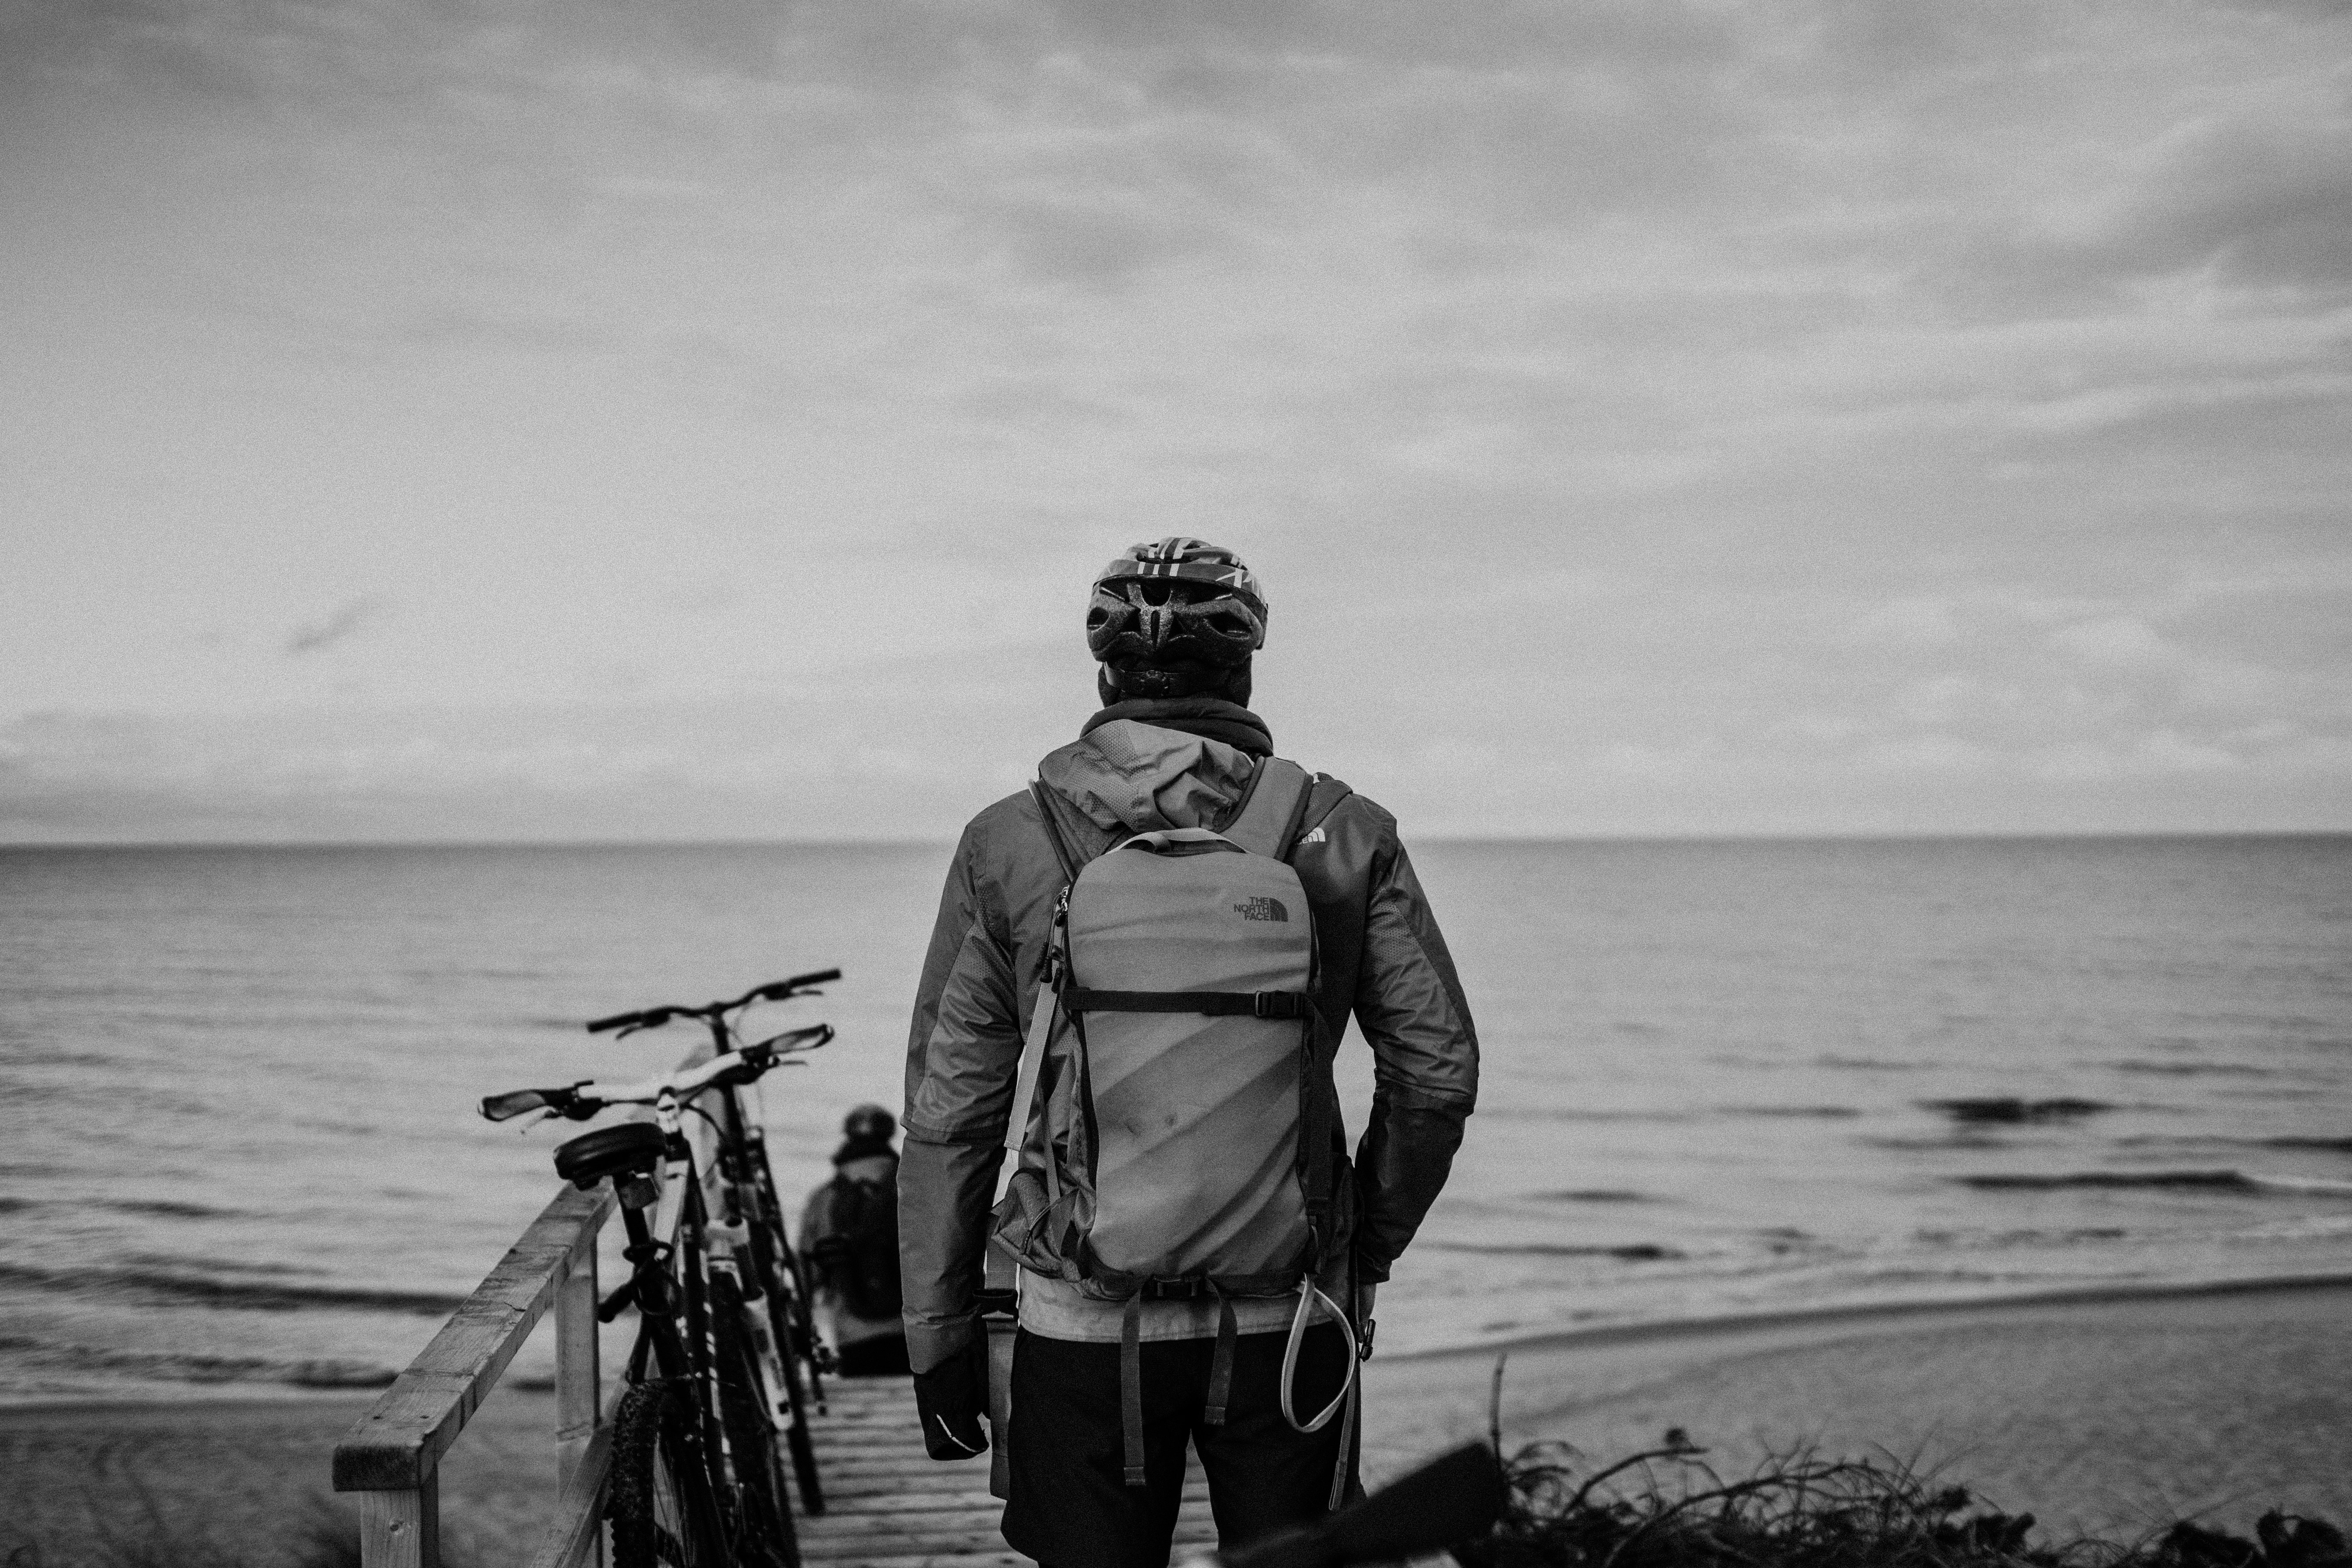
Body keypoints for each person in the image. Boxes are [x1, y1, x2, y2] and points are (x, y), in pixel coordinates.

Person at [897, 537, 1479, 1567]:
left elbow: (953, 1108)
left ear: (1105, 673)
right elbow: (1435, 1073)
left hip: (1080, 1316)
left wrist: (939, 1328)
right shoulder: (1340, 829)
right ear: (1247, 669)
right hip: (1288, 1313)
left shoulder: (1009, 838)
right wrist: (1361, 1245)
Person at [798, 1103, 911, 1377]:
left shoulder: (824, 1198)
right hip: (914, 1331)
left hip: (853, 1334)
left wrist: (801, 1337)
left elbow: (808, 1272)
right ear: (889, 1137)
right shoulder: (913, 1191)